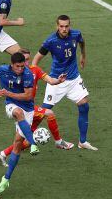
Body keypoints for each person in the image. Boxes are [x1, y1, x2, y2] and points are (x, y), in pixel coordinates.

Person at [0, 48, 71, 167]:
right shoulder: (11, 71)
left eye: (28, 60)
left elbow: (50, 80)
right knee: (49, 113)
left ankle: (3, 154)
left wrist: (58, 80)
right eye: (24, 60)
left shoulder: (35, 70)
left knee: (25, 141)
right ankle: (58, 142)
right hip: (19, 108)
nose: (26, 63)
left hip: (29, 108)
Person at [0, 52, 40, 194]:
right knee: (18, 113)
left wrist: (7, 93)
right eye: (18, 66)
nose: (21, 69)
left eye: (23, 66)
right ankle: (33, 144)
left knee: (17, 145)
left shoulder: (27, 74)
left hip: (28, 109)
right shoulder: (3, 69)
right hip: (11, 105)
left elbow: (28, 95)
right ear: (12, 65)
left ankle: (6, 179)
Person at [31, 15, 98, 151]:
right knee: (43, 111)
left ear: (70, 25)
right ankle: (27, 136)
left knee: (84, 105)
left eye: (66, 26)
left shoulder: (76, 34)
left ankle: (82, 141)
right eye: (61, 26)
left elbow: (82, 42)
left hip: (73, 79)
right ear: (57, 26)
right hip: (56, 81)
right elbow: (35, 60)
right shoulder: (50, 41)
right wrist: (34, 78)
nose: (64, 29)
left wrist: (83, 55)